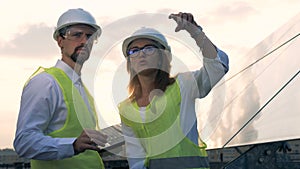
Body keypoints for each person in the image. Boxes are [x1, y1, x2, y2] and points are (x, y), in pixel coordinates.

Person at [118, 12, 229, 169]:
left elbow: (218, 67)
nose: (141, 54)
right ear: (129, 61)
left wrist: (196, 33)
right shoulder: (126, 109)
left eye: (149, 48)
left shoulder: (183, 85)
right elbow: (136, 157)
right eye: (133, 50)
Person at [13, 8, 108, 169]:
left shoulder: (82, 89)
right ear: (60, 40)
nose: (85, 41)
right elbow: (24, 141)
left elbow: (81, 145)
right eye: (77, 35)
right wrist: (72, 145)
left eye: (90, 36)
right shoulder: (45, 83)